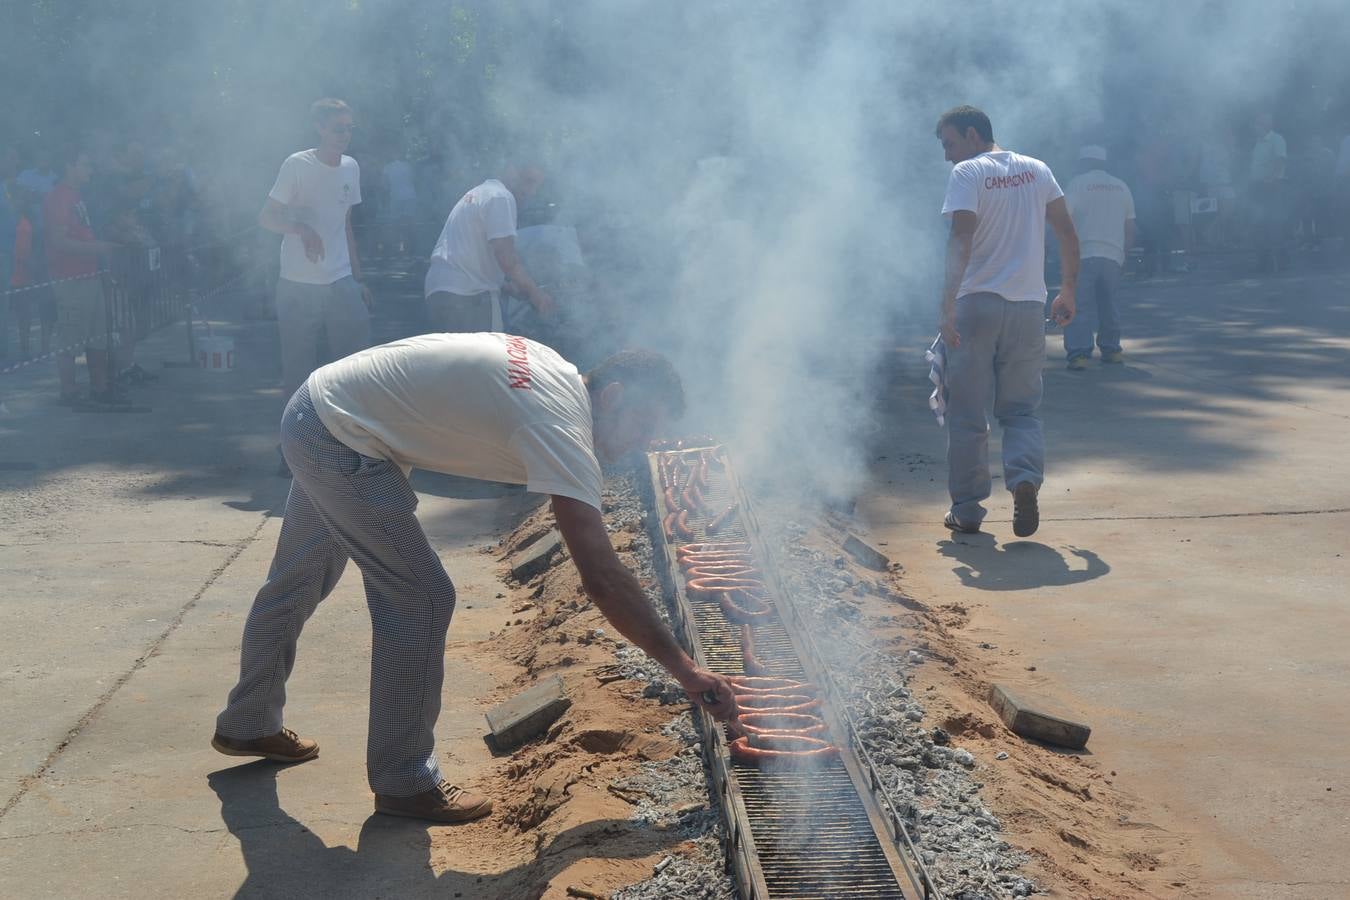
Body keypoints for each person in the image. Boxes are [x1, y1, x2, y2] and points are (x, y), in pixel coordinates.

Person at [212, 336, 738, 822]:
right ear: (613, 396)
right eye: (645, 426)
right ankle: (402, 778)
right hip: (341, 437)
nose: (643, 443)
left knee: (299, 575)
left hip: (319, 406)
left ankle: (248, 721)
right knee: (420, 596)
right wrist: (685, 669)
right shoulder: (560, 427)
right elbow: (601, 577)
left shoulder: (556, 369)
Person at [934, 105, 1078, 538]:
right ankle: (1025, 480)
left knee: (967, 415)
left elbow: (961, 237)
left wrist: (946, 305)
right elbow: (1067, 232)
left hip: (977, 306)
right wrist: (1068, 289)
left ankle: (967, 510)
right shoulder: (1037, 170)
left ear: (974, 136)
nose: (947, 156)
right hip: (1027, 308)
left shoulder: (968, 174)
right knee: (1021, 411)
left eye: (950, 144)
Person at [258, 98, 373, 406]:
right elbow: (267, 217)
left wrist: (359, 279)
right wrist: (302, 229)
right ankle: (293, 441)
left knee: (354, 365)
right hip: (297, 283)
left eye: (349, 129)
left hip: (341, 280)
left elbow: (346, 226)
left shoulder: (351, 167)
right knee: (298, 369)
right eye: (338, 129)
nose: (345, 135)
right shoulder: (297, 164)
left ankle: (349, 433)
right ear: (319, 128)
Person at [424, 165, 555, 333]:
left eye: (536, 185)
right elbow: (506, 259)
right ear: (511, 171)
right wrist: (536, 293)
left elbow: (471, 256)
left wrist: (509, 287)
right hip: (470, 297)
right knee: (485, 359)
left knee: (457, 359)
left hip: (440, 294)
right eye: (528, 181)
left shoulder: (478, 193)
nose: (531, 192)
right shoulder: (501, 197)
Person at [45, 146, 120, 405]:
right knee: (70, 336)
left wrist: (99, 259)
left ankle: (100, 388)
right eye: (85, 164)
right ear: (70, 165)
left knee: (97, 334)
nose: (90, 169)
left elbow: (79, 235)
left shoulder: (77, 195)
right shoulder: (59, 197)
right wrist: (98, 248)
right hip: (70, 279)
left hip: (89, 275)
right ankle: (69, 392)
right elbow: (58, 242)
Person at [1063, 146, 1135, 370]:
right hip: (1113, 255)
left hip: (1083, 255)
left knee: (1079, 306)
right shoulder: (1122, 187)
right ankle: (1111, 350)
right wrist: (1125, 255)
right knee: (1109, 305)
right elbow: (1130, 227)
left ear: (1084, 162)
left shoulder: (1077, 184)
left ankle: (1079, 354)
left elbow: (1064, 220)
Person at [1248, 112, 1288, 272]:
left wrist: (1271, 179)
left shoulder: (1276, 139)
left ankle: (1281, 260)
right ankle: (1263, 261)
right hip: (1258, 187)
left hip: (1272, 187)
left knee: (1273, 224)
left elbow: (1280, 160)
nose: (1255, 126)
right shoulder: (1258, 142)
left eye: (1258, 123)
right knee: (1259, 224)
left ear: (1266, 124)